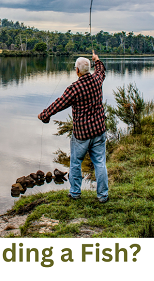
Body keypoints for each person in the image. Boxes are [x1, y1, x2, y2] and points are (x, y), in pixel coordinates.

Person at [38, 50, 108, 203]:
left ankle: (75, 193)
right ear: (88, 69)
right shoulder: (97, 80)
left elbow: (59, 103)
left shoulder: (74, 88)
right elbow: (101, 71)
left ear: (77, 70)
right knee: (100, 163)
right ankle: (102, 195)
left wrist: (45, 115)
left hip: (82, 134)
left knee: (76, 163)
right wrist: (97, 60)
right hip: (98, 131)